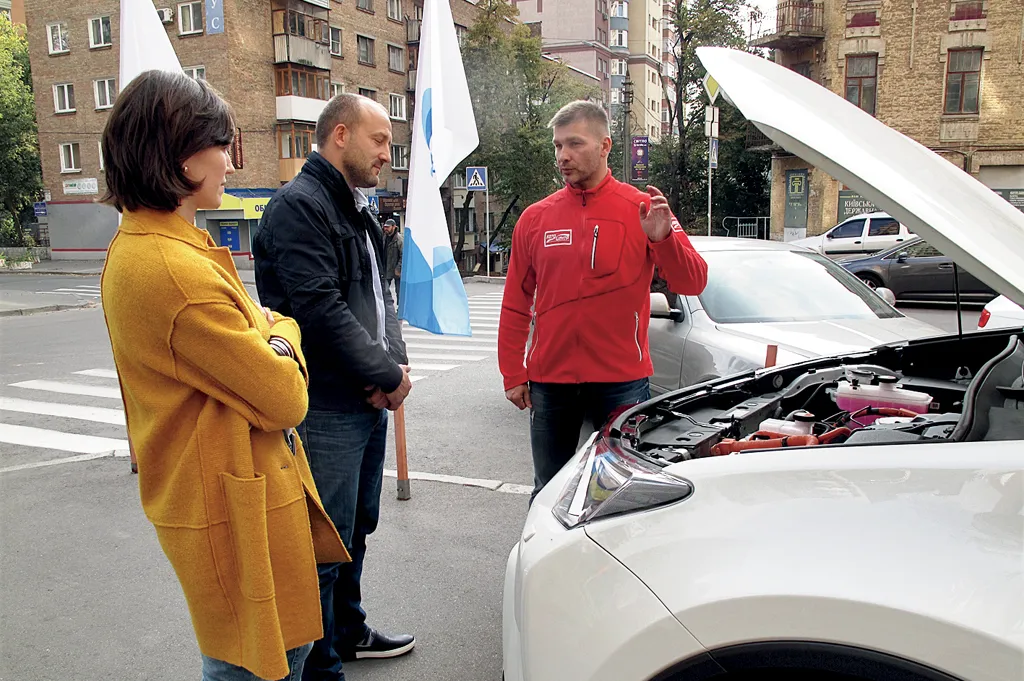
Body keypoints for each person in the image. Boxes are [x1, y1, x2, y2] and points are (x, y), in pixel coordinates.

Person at [99, 69, 348, 681]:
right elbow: (284, 397)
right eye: (223, 145)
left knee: (261, 654)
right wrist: (283, 333)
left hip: (233, 495)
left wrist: (266, 332)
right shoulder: (170, 269)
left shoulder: (162, 247)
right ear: (183, 156)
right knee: (255, 664)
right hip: (233, 509)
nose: (233, 162)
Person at [252, 93, 414, 681]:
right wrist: (385, 376)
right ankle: (321, 668)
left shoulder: (356, 207)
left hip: (364, 401)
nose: (386, 154)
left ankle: (347, 631)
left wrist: (393, 368)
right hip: (323, 409)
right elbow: (319, 312)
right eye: (379, 141)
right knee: (319, 546)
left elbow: (380, 297)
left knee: (355, 530)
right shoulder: (300, 206)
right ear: (340, 135)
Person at [498, 100, 709, 501]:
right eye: (558, 145)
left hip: (621, 381)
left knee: (620, 493)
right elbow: (516, 302)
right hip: (551, 381)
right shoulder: (536, 219)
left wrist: (663, 239)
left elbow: (693, 280)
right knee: (549, 490)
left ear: (605, 145)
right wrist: (513, 372)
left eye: (574, 144)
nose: (563, 156)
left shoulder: (642, 209)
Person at [382, 218, 403, 306]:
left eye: (388, 227)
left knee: (399, 291)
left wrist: (398, 268)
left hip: (396, 270)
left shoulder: (399, 239)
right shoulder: (384, 238)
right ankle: (387, 307)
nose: (385, 229)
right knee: (385, 290)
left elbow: (403, 255)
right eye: (385, 227)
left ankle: (399, 308)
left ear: (394, 227)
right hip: (386, 269)